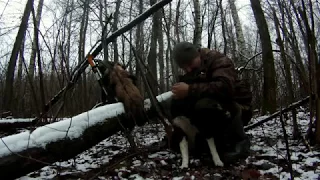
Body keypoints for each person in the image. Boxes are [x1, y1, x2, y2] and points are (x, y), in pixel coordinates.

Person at [170, 41, 252, 164]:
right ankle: (213, 143)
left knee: (205, 106)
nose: (188, 69)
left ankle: (239, 141)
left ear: (196, 55)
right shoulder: (193, 71)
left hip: (238, 107)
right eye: (184, 68)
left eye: (189, 64)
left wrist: (190, 90)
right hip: (216, 108)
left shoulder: (218, 60)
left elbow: (225, 88)